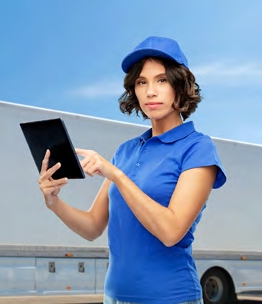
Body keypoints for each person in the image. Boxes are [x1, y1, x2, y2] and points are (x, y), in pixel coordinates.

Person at [37, 36, 227, 304]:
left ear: (180, 85)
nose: (151, 91)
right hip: (114, 296)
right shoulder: (125, 151)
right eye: (142, 82)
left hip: (170, 297)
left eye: (161, 80)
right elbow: (93, 226)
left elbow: (171, 231)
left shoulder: (197, 148)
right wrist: (54, 202)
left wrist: (115, 174)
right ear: (134, 91)